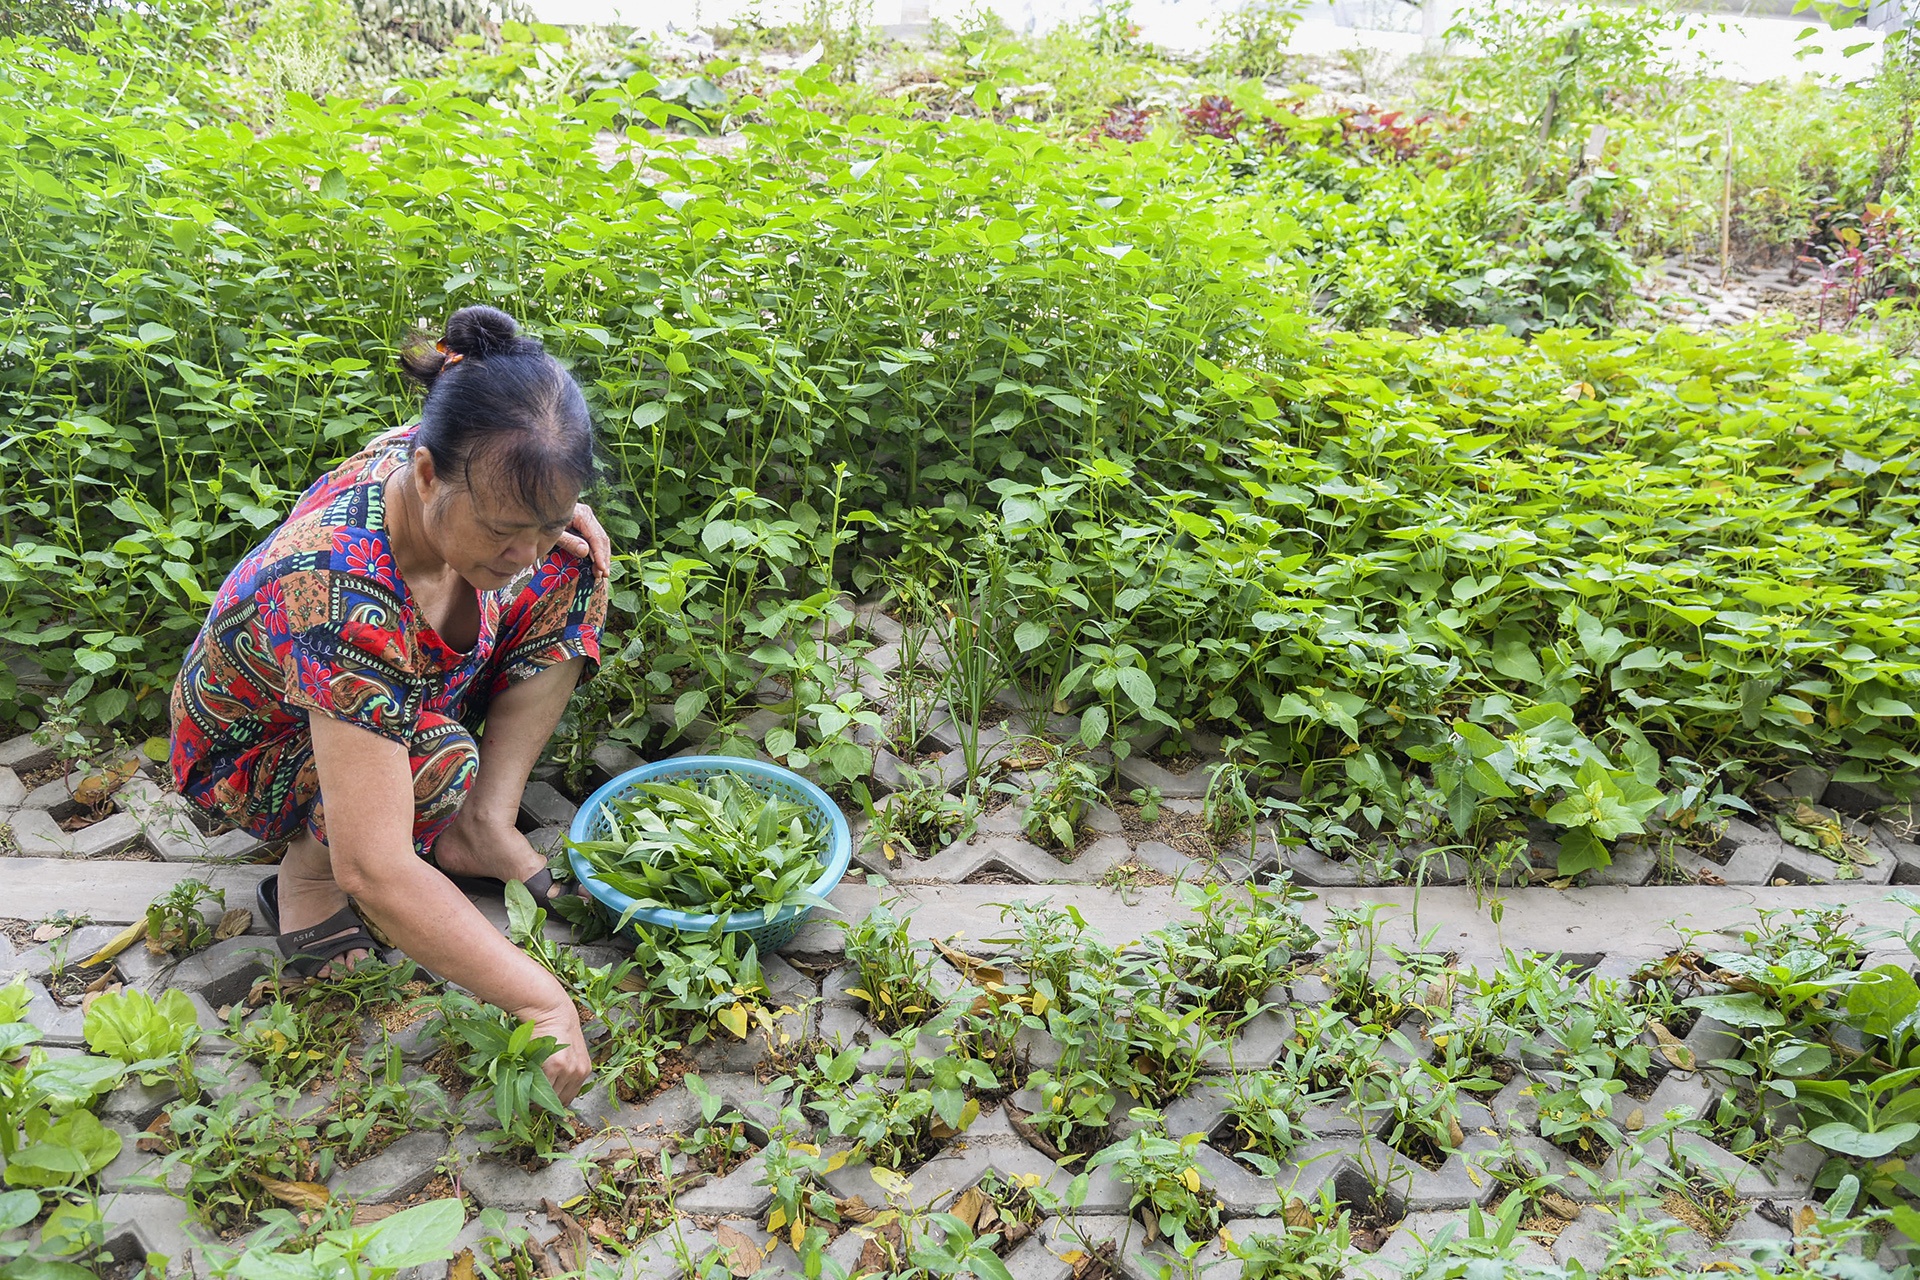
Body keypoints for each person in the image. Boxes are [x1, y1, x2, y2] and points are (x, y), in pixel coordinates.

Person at [169, 306, 607, 1101]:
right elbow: (377, 867)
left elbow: (530, 518)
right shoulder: (336, 587)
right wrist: (539, 999)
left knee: (577, 567)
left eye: (542, 520)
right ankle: (304, 883)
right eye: (506, 529)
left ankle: (482, 827)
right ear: (428, 474)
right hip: (257, 748)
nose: (521, 555)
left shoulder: (455, 457)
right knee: (436, 762)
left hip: (384, 676)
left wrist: (552, 523)